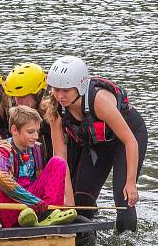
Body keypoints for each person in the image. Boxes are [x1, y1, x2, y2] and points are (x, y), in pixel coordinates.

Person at [47, 56, 147, 232]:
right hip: (98, 143)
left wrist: (131, 182)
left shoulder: (98, 101)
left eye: (66, 90)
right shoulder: (56, 110)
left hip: (127, 139)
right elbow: (60, 161)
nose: (60, 96)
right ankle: (85, 240)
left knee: (123, 199)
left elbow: (130, 141)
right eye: (56, 89)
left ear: (80, 86)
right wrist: (68, 205)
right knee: (81, 202)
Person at [0, 106, 75, 228]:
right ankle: (25, 217)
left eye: (37, 131)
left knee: (58, 162)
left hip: (32, 199)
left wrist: (39, 202)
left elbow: (39, 179)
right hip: (10, 202)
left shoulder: (36, 148)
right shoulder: (4, 149)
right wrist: (32, 201)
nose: (36, 136)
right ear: (14, 130)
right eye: (31, 132)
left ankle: (49, 213)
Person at [4, 63, 53, 161]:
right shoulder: (15, 111)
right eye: (15, 97)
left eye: (22, 97)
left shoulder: (52, 113)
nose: (17, 102)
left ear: (38, 94)